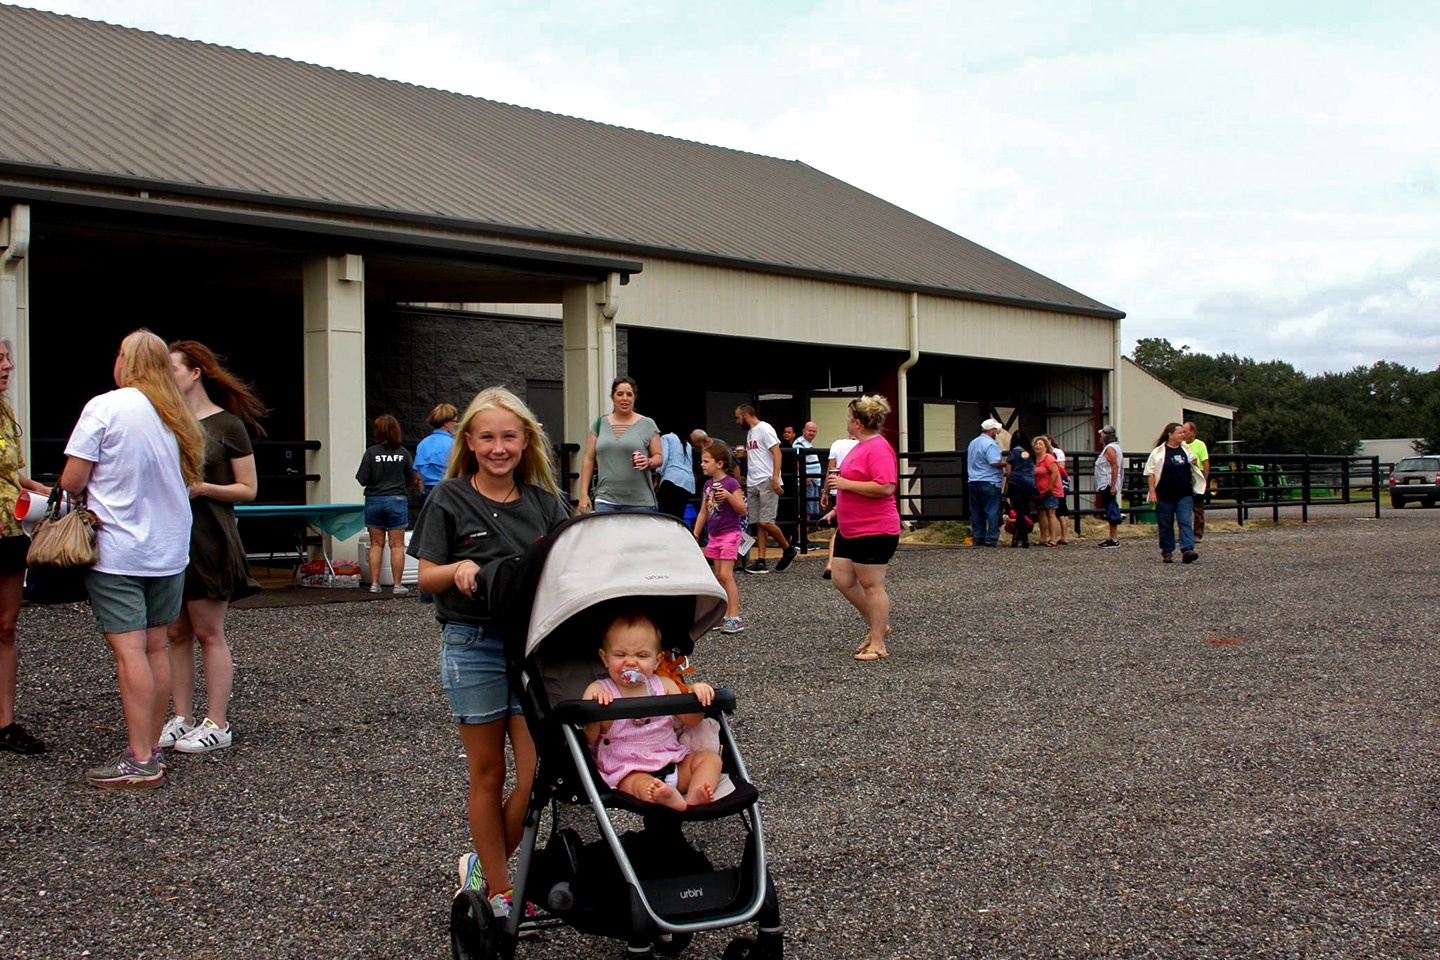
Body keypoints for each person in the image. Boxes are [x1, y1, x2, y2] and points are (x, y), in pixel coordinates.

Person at [408, 386, 569, 928]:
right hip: (471, 644)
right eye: (487, 437)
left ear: (526, 442)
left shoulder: (547, 502)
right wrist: (454, 571)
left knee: (534, 776)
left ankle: (482, 863)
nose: (499, 447)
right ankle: (501, 890)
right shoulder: (449, 498)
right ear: (469, 443)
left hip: (532, 646)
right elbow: (424, 575)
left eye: (509, 436)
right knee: (487, 771)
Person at [60, 329, 204, 789]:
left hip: (119, 549)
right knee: (155, 646)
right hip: (168, 549)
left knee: (128, 653)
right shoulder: (176, 414)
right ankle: (151, 745)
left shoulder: (105, 406)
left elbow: (73, 479)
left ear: (126, 361)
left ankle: (140, 758)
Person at [157, 340, 265, 756]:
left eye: (174, 368)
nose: (168, 376)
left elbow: (249, 488)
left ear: (196, 371)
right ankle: (180, 716)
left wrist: (202, 488)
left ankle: (217, 722)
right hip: (169, 538)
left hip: (209, 536)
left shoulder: (227, 425)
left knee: (207, 631)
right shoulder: (163, 421)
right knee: (175, 631)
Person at [583, 609, 722, 811]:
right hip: (628, 768)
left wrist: (696, 697)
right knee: (637, 784)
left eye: (641, 655)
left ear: (657, 661)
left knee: (710, 759)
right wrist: (595, 712)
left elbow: (690, 721)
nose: (630, 662)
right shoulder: (599, 690)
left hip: (673, 762)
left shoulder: (664, 686)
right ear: (605, 659)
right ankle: (661, 795)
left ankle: (696, 793)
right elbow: (589, 737)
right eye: (620, 655)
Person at [0, 339, 52, 755]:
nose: (7, 366)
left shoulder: (5, 412)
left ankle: (4, 724)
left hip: (9, 530)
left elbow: (13, 473)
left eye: (6, 357)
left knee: (6, 627)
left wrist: (45, 492)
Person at [830, 395, 901, 662]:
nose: (847, 423)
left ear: (858, 422)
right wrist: (839, 506)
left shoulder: (878, 448)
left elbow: (885, 486)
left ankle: (878, 642)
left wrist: (846, 486)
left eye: (849, 418)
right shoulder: (859, 447)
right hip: (852, 527)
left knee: (872, 585)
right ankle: (878, 624)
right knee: (841, 578)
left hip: (875, 528)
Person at [357, 414, 421, 595]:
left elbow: (362, 479)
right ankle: (397, 585)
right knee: (397, 545)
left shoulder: (371, 452)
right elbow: (412, 479)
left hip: (374, 500)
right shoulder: (403, 453)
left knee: (376, 544)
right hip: (397, 500)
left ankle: (375, 584)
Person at [577, 376, 661, 514]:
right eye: (620, 394)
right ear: (612, 397)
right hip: (605, 499)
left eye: (629, 394)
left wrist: (649, 461)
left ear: (635, 397)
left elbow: (659, 457)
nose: (625, 398)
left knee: (637, 536)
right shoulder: (599, 424)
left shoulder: (647, 424)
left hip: (639, 501)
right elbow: (589, 458)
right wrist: (583, 494)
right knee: (606, 536)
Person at [734, 404, 796, 574]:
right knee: (759, 523)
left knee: (766, 521)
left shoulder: (764, 428)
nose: (737, 421)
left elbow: (777, 453)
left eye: (738, 417)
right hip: (754, 480)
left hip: (766, 479)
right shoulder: (750, 433)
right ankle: (761, 560)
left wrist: (775, 478)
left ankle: (788, 548)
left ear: (746, 415)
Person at [692, 442, 746, 634]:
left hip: (730, 533)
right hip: (714, 535)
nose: (702, 464)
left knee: (726, 574)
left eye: (706, 461)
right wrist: (696, 533)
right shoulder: (707, 485)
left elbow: (742, 509)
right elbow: (702, 512)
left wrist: (729, 496)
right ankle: (725, 615)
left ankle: (735, 616)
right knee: (718, 575)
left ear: (720, 463)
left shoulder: (731, 483)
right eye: (702, 461)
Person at [415, 403, 459, 603]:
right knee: (451, 541)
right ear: (449, 422)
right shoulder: (452, 444)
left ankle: (426, 590)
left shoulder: (423, 444)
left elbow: (418, 473)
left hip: (428, 493)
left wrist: (424, 491)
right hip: (449, 491)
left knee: (429, 542)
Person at [1145, 422, 1203, 564]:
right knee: (1166, 524)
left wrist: (1194, 463)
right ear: (1170, 434)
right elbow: (1150, 473)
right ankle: (1167, 551)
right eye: (1180, 432)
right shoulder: (1158, 453)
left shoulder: (1186, 450)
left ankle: (1188, 550)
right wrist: (1152, 492)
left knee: (1185, 521)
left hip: (1184, 492)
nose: (1183, 435)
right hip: (1164, 493)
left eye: (1183, 432)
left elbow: (1193, 467)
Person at [819, 430, 860, 578]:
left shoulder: (837, 444)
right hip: (856, 491)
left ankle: (831, 563)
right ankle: (852, 564)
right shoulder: (864, 446)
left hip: (838, 491)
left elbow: (831, 470)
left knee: (839, 529)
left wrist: (825, 492)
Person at [966, 418, 1005, 547]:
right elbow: (994, 462)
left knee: (977, 511)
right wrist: (1006, 463)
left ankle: (978, 537)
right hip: (989, 480)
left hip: (974, 480)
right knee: (992, 510)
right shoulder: (990, 444)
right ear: (992, 431)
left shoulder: (973, 442)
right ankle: (992, 537)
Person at [1093, 424, 1125, 549]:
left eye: (1102, 434)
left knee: (1111, 508)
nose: (1100, 437)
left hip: (1107, 483)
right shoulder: (1115, 447)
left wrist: (1112, 485)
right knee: (1110, 507)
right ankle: (1112, 537)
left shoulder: (1110, 449)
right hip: (1107, 483)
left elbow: (1114, 466)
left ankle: (1114, 538)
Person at [1003, 431, 1035, 548]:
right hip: (1029, 483)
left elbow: (1008, 470)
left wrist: (1007, 483)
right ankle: (1024, 537)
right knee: (1024, 508)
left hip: (1016, 482)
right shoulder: (1031, 452)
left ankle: (1018, 538)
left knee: (1018, 509)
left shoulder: (1013, 452)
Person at [655, 428, 695, 520]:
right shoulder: (687, 444)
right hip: (687, 483)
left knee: (666, 517)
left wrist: (657, 479)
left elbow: (663, 460)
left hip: (671, 479)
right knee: (678, 517)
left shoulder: (666, 438)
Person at [793, 421, 823, 534]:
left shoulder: (808, 444)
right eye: (809, 430)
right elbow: (796, 461)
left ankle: (805, 539)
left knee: (809, 512)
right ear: (803, 431)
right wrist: (805, 477)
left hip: (813, 481)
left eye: (814, 431)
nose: (812, 433)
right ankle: (801, 540)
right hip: (806, 482)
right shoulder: (799, 443)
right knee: (805, 511)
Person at [1032, 436, 1062, 547]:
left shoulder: (1049, 458)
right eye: (1036, 444)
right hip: (1039, 491)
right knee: (1041, 512)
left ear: (1046, 446)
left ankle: (1053, 538)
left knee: (1051, 513)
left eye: (1040, 444)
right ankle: (1043, 537)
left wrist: (1050, 487)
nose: (1037, 446)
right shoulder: (1035, 460)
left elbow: (1055, 473)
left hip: (1050, 490)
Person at [1183, 422, 1210, 540]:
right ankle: (1186, 532)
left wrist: (1205, 479)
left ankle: (1198, 533)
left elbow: (1205, 462)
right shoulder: (1181, 445)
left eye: (1186, 431)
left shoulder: (1200, 445)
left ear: (1193, 432)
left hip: (1197, 476)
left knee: (1198, 507)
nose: (1184, 434)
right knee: (1184, 507)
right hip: (1184, 476)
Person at [1046, 435, 1072, 545]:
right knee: (1061, 510)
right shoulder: (1053, 453)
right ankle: (1063, 536)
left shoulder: (1055, 453)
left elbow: (1060, 468)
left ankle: (1063, 536)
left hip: (1058, 483)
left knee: (1060, 510)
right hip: (1059, 482)